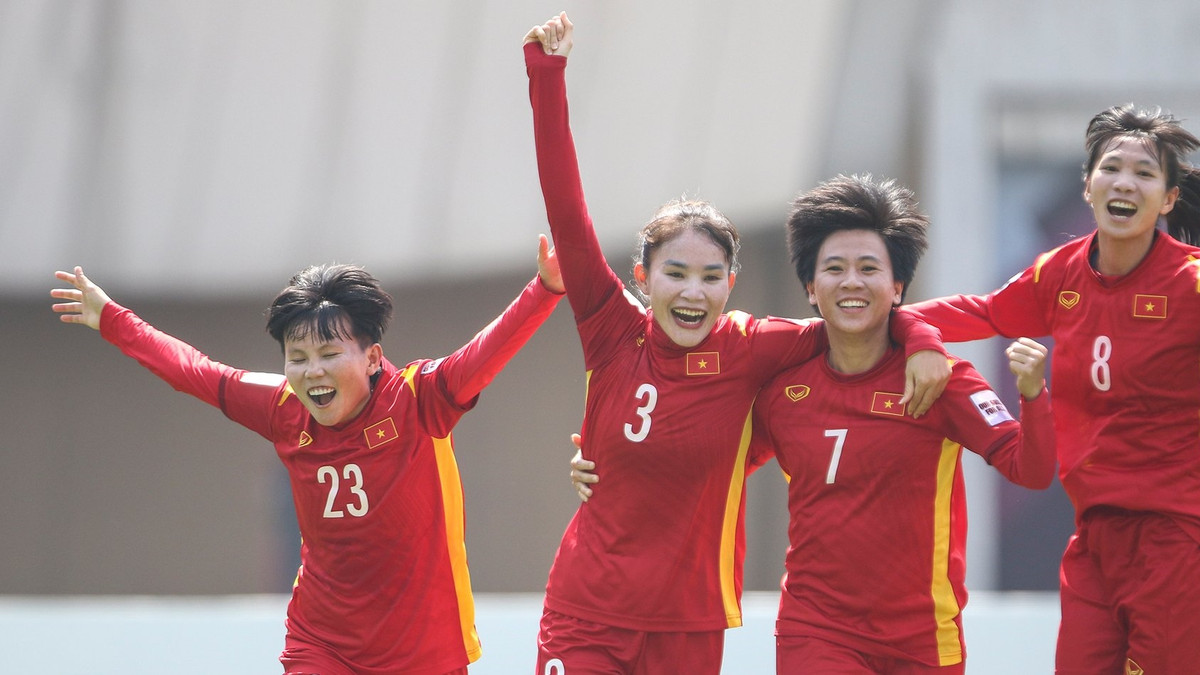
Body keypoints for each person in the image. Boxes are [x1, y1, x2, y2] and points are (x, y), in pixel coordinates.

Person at [522, 13, 951, 674]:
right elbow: (567, 209)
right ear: (642, 278)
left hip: (691, 624)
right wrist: (546, 75)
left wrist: (921, 336)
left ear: (731, 283)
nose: (692, 293)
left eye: (710, 277)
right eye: (675, 273)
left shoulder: (753, 347)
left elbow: (860, 316)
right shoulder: (610, 328)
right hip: (586, 614)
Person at [50, 237, 564, 675]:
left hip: (423, 650)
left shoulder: (418, 399)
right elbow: (196, 371)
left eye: (328, 354)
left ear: (373, 357)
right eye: (297, 358)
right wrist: (111, 319)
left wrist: (544, 289)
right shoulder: (283, 408)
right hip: (322, 643)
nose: (311, 372)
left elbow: (489, 351)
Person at [904, 104, 1200, 674]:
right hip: (1091, 538)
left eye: (1144, 173)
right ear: (1087, 185)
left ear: (1168, 199)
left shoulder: (1189, 283)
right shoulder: (1059, 272)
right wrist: (909, 331)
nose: (1125, 182)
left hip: (1176, 537)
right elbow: (982, 311)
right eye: (1112, 168)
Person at [752, 174, 1055, 673]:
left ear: (897, 288)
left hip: (923, 639)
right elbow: (720, 469)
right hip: (815, 629)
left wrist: (1033, 395)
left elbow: (1032, 471)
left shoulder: (944, 379)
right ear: (810, 287)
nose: (852, 282)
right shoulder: (783, 393)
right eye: (834, 268)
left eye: (869, 268)